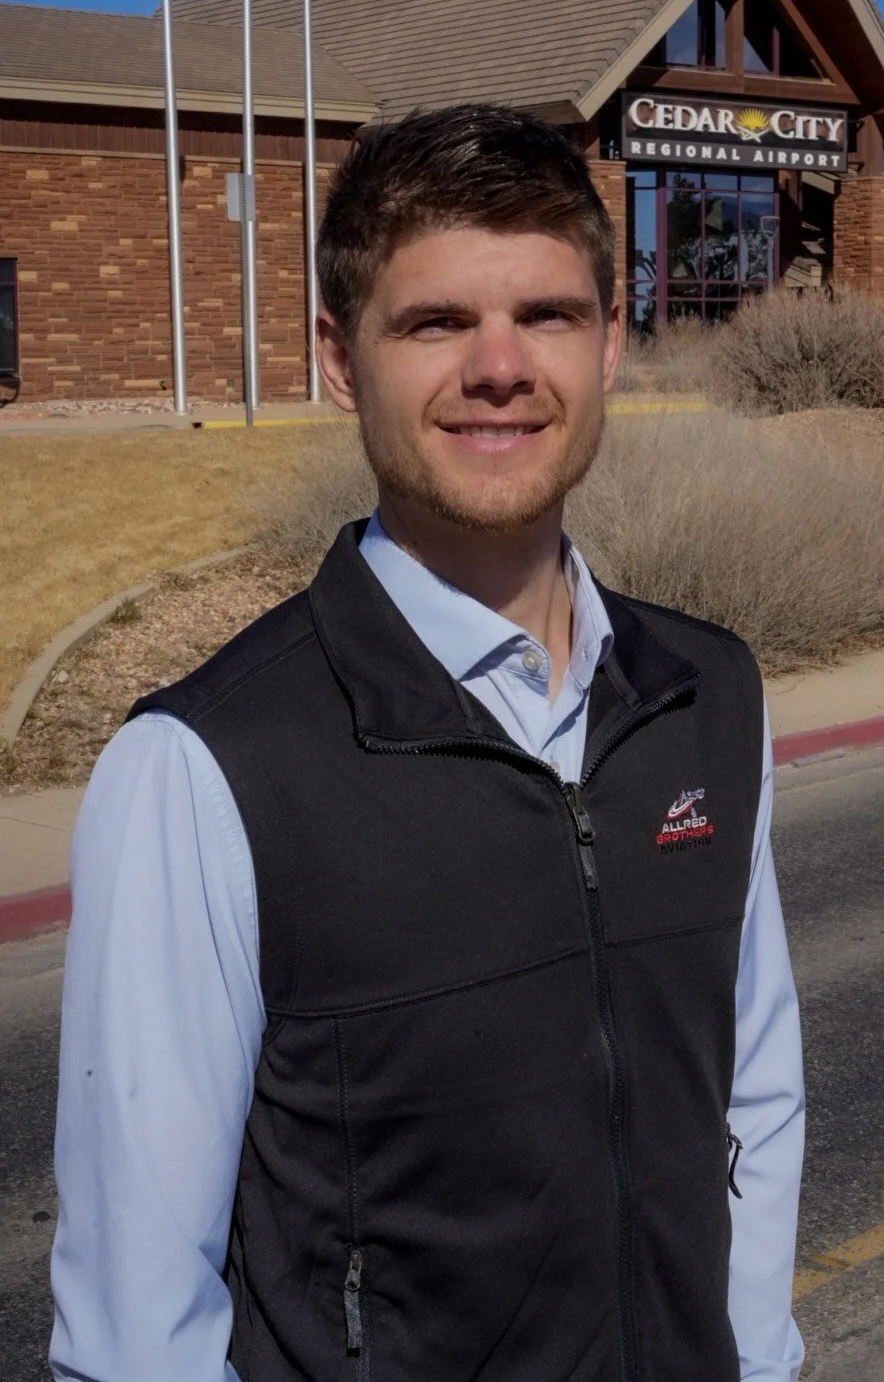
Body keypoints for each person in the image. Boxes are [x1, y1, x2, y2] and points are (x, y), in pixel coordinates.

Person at [50, 105, 804, 1382]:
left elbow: (750, 1102)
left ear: (611, 343)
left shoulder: (708, 695)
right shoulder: (204, 768)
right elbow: (135, 1316)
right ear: (343, 360)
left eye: (548, 315)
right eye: (436, 322)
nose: (499, 366)